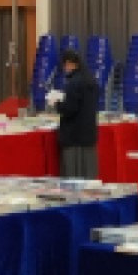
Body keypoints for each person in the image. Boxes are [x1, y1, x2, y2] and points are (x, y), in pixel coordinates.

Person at [49, 49, 101, 180]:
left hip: (74, 135)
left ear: (69, 63)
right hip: (88, 133)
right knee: (88, 172)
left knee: (73, 175)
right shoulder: (91, 80)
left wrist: (57, 103)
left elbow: (69, 109)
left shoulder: (73, 83)